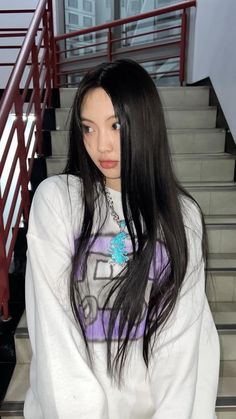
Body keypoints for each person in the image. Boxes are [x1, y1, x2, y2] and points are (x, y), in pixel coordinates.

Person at [24, 59, 220, 419]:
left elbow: (181, 344)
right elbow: (55, 334)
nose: (102, 145)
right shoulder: (58, 201)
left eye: (116, 125)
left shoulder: (182, 217)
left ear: (144, 124)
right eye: (88, 128)